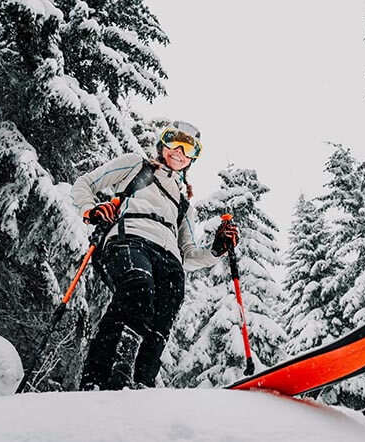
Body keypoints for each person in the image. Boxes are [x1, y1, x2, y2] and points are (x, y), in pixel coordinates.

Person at [70, 121, 239, 390]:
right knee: (138, 287)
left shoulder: (184, 205)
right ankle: (99, 377)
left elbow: (189, 255)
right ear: (162, 144)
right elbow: (85, 183)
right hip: (130, 240)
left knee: (162, 317)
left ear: (193, 157)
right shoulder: (137, 166)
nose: (179, 151)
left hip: (169, 259)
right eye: (174, 141)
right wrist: (90, 210)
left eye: (189, 147)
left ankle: (141, 383)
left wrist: (217, 249)